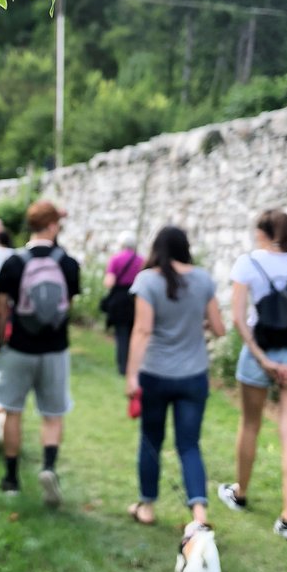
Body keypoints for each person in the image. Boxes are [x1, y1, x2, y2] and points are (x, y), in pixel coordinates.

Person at [218, 209, 287, 543]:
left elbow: (237, 317)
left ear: (262, 233)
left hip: (258, 353)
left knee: (250, 424)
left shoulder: (248, 263)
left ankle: (241, 492)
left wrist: (262, 359)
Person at [123, 226, 224, 528]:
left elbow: (142, 331)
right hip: (193, 375)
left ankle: (147, 506)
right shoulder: (204, 280)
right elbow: (219, 328)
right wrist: (196, 325)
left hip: (155, 373)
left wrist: (131, 376)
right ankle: (199, 513)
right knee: (189, 444)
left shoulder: (147, 281)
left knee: (151, 439)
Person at [0, 200, 80, 507]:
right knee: (53, 415)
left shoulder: (14, 262)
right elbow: (69, 309)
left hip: (19, 348)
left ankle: (11, 478)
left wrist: (0, 339)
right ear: (53, 226)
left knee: (13, 411)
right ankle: (49, 467)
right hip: (54, 350)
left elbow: (1, 308)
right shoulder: (68, 263)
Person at [102, 231, 144, 374]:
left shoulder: (115, 259)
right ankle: (134, 365)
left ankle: (122, 367)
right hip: (135, 299)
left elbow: (109, 282)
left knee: (121, 334)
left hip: (119, 299)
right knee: (134, 333)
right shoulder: (141, 260)